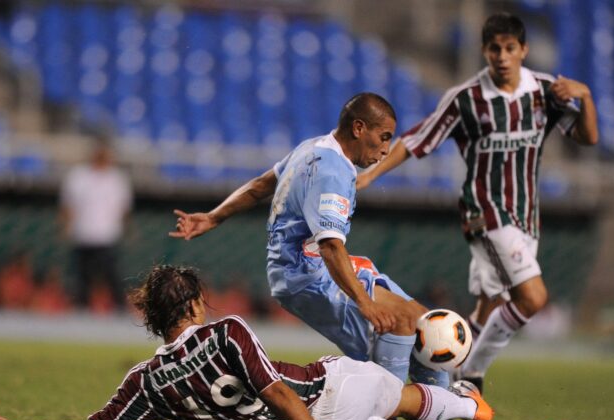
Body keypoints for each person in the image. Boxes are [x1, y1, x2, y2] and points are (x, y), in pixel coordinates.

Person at [0, 264, 600, 420]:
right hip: (327, 396)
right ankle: (468, 401)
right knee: (409, 396)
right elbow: (277, 392)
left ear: (151, 318)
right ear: (194, 302)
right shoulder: (225, 331)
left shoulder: (144, 382)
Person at [357, 13, 599, 390]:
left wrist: (585, 96)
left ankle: (436, 369)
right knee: (533, 298)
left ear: (523, 50)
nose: (502, 56)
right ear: (485, 51)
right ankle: (472, 375)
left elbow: (587, 138)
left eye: (509, 48)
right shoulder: (466, 99)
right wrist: (370, 174)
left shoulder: (545, 91)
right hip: (485, 213)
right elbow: (414, 140)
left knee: (490, 305)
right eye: (494, 49)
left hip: (525, 216)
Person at [170, 93, 448, 392]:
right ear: (358, 128)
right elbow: (329, 245)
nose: (385, 149)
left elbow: (261, 185)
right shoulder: (332, 171)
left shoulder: (312, 146)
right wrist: (363, 301)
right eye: (383, 137)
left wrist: (214, 216)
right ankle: (384, 413)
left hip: (304, 266)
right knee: (399, 321)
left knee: (424, 323)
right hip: (306, 276)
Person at [59, 137, 133, 311]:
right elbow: (68, 205)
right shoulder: (78, 176)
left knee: (112, 276)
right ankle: (80, 310)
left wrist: (126, 228)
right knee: (81, 278)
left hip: (107, 235)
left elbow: (124, 208)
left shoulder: (117, 178)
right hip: (83, 234)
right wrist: (66, 226)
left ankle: (120, 310)